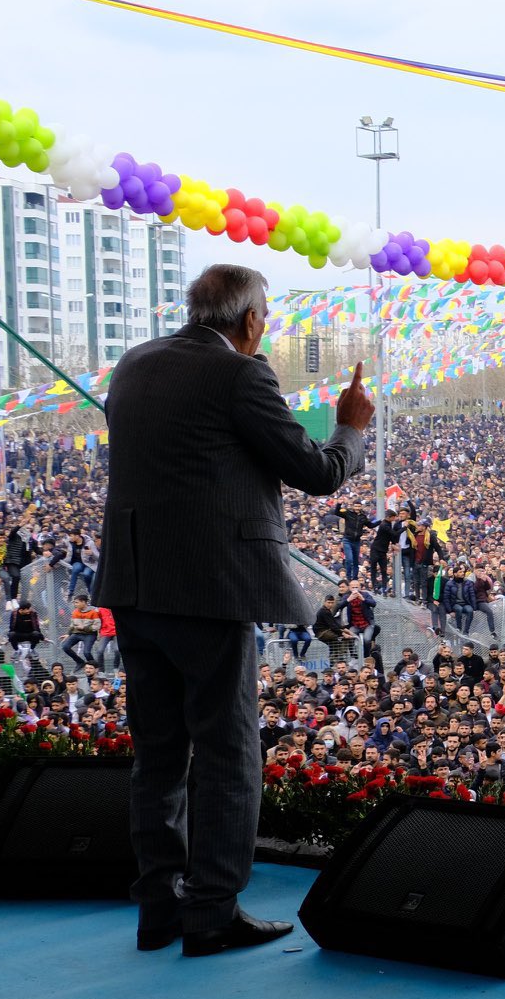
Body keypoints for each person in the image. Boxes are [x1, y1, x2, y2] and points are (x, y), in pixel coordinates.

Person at [95, 264, 372, 957]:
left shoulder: (133, 365)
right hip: (209, 590)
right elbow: (317, 473)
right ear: (249, 321)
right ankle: (212, 910)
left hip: (133, 584)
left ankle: (159, 905)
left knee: (157, 754)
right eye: (266, 319)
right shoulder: (239, 376)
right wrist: (350, 428)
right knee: (227, 751)